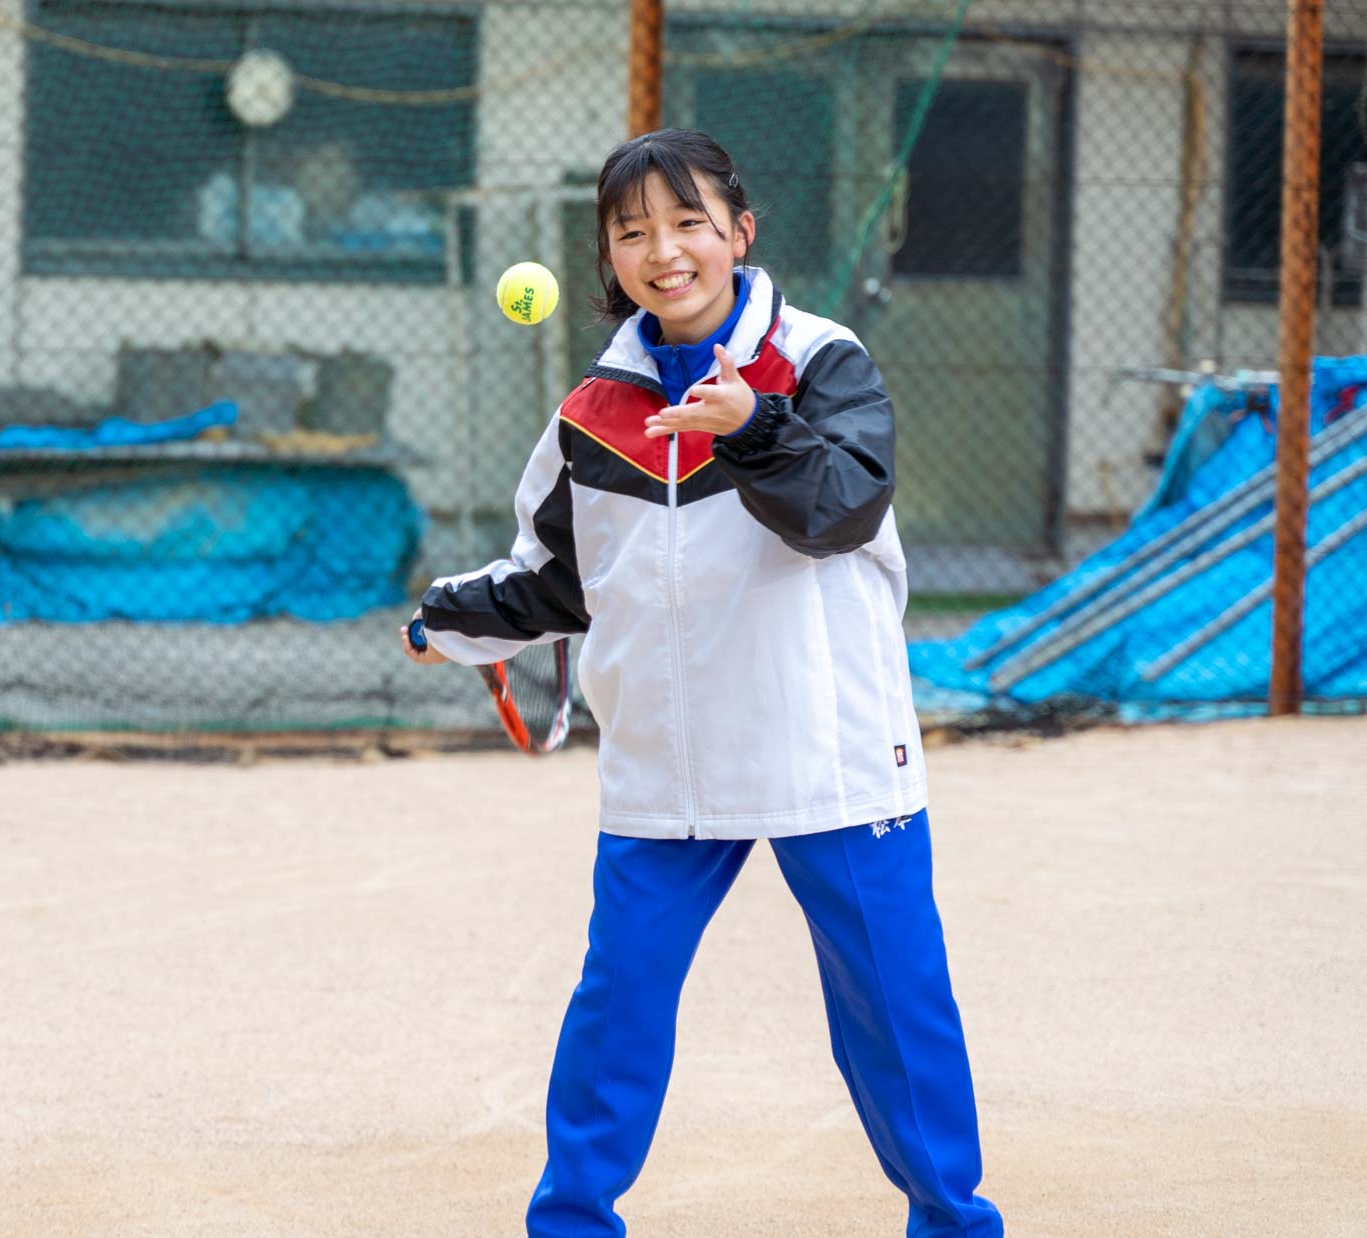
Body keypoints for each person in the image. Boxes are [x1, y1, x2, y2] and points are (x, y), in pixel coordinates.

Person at [401, 128, 1004, 1238]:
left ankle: (953, 1222)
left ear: (740, 231)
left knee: (893, 1006)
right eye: (632, 232)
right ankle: (571, 1223)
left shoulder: (820, 361)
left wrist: (754, 426)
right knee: (617, 1003)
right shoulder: (591, 412)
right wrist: (446, 620)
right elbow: (559, 580)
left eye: (689, 223)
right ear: (608, 255)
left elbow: (843, 510)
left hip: (827, 751)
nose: (664, 251)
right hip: (666, 762)